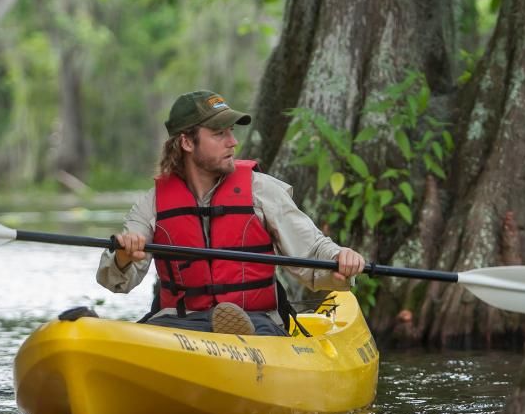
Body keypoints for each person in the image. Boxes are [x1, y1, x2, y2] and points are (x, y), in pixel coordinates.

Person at [95, 89, 365, 336]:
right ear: (187, 142)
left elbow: (312, 251)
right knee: (158, 327)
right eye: (219, 133)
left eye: (231, 132)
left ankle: (234, 335)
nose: (233, 142)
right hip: (180, 324)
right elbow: (117, 282)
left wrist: (339, 259)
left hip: (258, 322)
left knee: (248, 327)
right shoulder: (152, 204)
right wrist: (123, 256)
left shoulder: (262, 191)